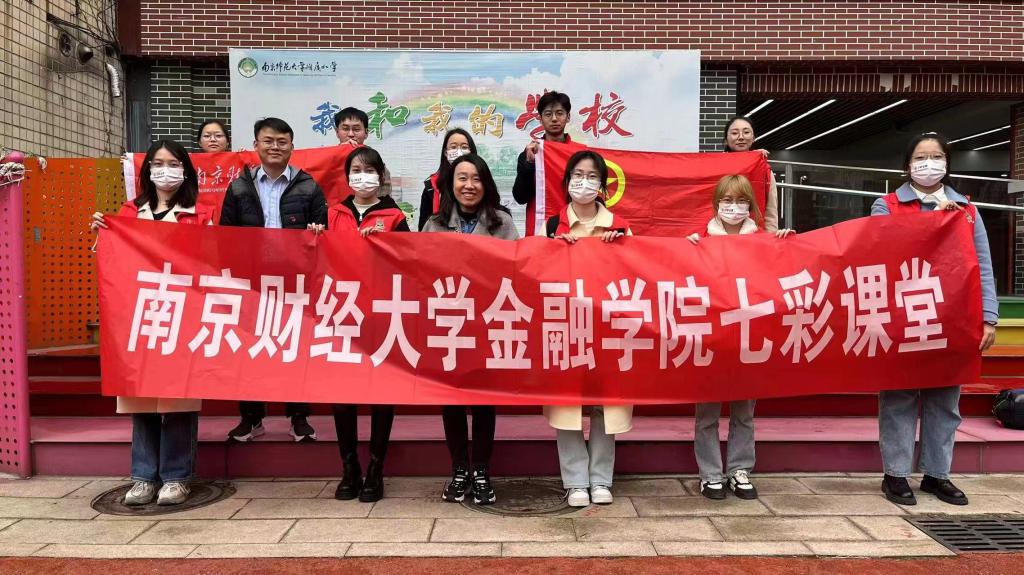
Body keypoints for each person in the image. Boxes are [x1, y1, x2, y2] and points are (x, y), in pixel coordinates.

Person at [872, 132, 998, 507]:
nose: (929, 164)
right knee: (898, 398)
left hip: (952, 317)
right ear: (907, 164)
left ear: (947, 162)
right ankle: (895, 474)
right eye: (921, 157)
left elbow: (983, 266)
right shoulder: (886, 205)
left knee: (945, 400)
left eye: (937, 156)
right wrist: (935, 223)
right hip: (902, 315)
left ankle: (937, 474)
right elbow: (880, 251)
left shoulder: (967, 210)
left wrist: (989, 317)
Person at [90, 139, 214, 506]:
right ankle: (143, 476)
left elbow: (212, 260)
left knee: (178, 400)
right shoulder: (130, 212)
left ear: (185, 171)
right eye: (158, 163)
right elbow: (116, 262)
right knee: (140, 398)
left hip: (183, 314)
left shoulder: (202, 214)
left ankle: (176, 477)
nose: (165, 170)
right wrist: (104, 231)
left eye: (173, 163)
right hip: (139, 315)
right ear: (147, 171)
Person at [686, 174, 794, 500]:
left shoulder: (763, 240)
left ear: (751, 205)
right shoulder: (700, 239)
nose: (734, 207)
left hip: (749, 336)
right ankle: (710, 474)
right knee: (707, 412)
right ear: (716, 203)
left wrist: (786, 244)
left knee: (744, 411)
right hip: (712, 339)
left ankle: (739, 469)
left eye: (741, 201)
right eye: (727, 200)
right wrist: (685, 250)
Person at [219, 117, 327, 443]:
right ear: (256, 145)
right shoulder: (239, 187)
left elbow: (325, 237)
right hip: (252, 282)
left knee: (296, 348)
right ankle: (251, 418)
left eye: (282, 141)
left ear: (292, 147)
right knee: (249, 350)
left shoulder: (309, 186)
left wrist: (318, 233)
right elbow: (225, 237)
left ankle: (299, 417)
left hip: (295, 282)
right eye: (268, 141)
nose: (275, 147)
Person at [423, 154, 519, 504]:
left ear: (486, 184)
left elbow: (516, 269)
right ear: (451, 184)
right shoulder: (434, 224)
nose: (469, 185)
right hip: (448, 321)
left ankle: (480, 470)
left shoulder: (502, 222)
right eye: (461, 178)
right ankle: (459, 469)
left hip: (487, 321)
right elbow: (420, 270)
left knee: (483, 401)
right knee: (450, 401)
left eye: (476, 178)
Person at [320, 146, 409, 502]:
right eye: (356, 170)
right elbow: (315, 260)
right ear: (347, 176)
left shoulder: (394, 216)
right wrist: (314, 237)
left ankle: (376, 468)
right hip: (341, 314)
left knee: (381, 394)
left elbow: (410, 261)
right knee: (342, 395)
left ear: (381, 175)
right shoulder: (332, 213)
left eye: (369, 170)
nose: (362, 177)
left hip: (381, 315)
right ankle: (349, 468)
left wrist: (387, 246)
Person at [543, 150, 630, 508]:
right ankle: (576, 480)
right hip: (567, 324)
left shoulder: (620, 226)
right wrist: (553, 250)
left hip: (609, 326)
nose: (584, 182)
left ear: (603, 185)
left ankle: (601, 478)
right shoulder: (552, 226)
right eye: (578, 175)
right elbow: (536, 273)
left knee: (605, 406)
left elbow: (638, 273)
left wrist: (619, 249)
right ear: (566, 182)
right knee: (567, 405)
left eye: (592, 176)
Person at [513, 91, 573, 231]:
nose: (554, 119)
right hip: (538, 227)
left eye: (559, 113)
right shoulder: (531, 153)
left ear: (568, 117)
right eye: (548, 114)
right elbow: (520, 198)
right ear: (540, 119)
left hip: (572, 226)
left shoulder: (579, 154)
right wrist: (529, 164)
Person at [722, 116, 779, 233]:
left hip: (753, 234)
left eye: (746, 132)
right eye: (734, 133)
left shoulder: (763, 169)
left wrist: (771, 237)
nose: (741, 137)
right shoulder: (715, 166)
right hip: (718, 233)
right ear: (726, 140)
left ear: (753, 138)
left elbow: (770, 210)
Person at [418, 128, 477, 230]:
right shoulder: (432, 186)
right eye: (453, 147)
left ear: (471, 151)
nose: (459, 151)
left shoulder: (481, 182)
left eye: (464, 147)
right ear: (445, 152)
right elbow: (424, 229)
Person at [334, 107, 392, 195]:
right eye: (345, 129)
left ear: (366, 133)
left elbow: (384, 187)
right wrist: (339, 152)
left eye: (356, 129)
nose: (351, 134)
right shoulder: (328, 158)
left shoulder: (373, 157)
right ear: (337, 132)